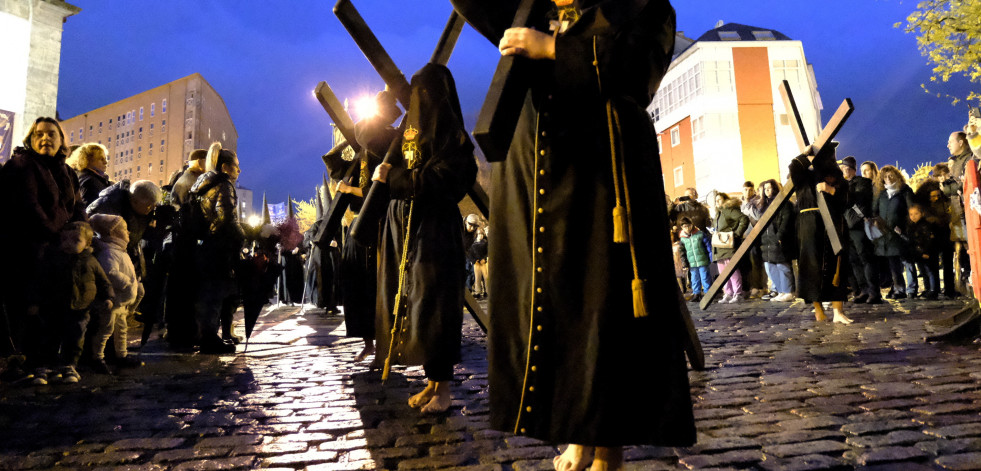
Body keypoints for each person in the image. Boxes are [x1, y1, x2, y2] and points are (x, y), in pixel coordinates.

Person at [453, 0, 696, 468]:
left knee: (600, 307)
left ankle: (608, 443)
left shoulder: (642, 5)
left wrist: (553, 49)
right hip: (535, 178)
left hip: (601, 177)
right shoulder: (532, 3)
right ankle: (576, 433)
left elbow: (637, 73)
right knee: (555, 307)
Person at [372, 63, 477, 414]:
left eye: (425, 93)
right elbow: (366, 136)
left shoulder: (454, 137)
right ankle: (432, 383)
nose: (420, 101)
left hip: (434, 232)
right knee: (414, 305)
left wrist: (397, 179)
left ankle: (444, 388)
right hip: (404, 231)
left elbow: (448, 178)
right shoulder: (408, 134)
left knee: (435, 307)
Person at [0, 117, 86, 373]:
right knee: (28, 308)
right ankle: (28, 364)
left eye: (51, 134)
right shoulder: (21, 165)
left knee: (55, 308)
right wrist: (54, 234)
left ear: (61, 140)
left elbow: (77, 206)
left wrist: (81, 232)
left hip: (60, 251)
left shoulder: (68, 172)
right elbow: (29, 205)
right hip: (27, 250)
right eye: (39, 134)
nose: (45, 138)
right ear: (30, 139)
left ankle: (48, 362)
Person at [322, 89, 401, 362]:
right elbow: (335, 163)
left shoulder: (391, 140)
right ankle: (369, 342)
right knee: (357, 286)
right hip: (359, 227)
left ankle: (386, 343)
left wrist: (352, 191)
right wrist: (347, 142)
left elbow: (384, 188)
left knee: (380, 287)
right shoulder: (365, 146)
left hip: (381, 224)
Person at [38, 222, 113, 384]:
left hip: (81, 307)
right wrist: (35, 302)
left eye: (75, 240)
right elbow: (42, 282)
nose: (67, 244)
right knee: (51, 335)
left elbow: (103, 281)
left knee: (76, 337)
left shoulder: (90, 261)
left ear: (87, 243)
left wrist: (108, 297)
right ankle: (47, 365)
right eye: (64, 239)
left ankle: (70, 365)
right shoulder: (54, 260)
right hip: (55, 306)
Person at [188, 142, 244, 354]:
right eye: (236, 165)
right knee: (217, 293)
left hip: (206, 246)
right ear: (225, 167)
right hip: (220, 247)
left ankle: (208, 335)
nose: (239, 170)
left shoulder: (204, 184)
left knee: (208, 293)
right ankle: (210, 338)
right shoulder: (224, 184)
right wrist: (243, 236)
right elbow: (226, 218)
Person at [789, 144, 853, 324]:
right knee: (812, 269)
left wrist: (830, 190)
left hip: (833, 226)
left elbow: (847, 198)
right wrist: (804, 154)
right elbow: (794, 167)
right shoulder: (804, 177)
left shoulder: (836, 176)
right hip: (809, 227)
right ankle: (818, 310)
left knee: (837, 266)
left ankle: (838, 312)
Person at [88, 214, 140, 373]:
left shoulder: (119, 250)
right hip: (113, 301)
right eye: (124, 229)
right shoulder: (109, 252)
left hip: (121, 302)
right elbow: (110, 272)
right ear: (112, 233)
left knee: (122, 329)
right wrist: (128, 283)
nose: (128, 232)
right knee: (106, 330)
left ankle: (122, 355)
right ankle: (97, 357)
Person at [839, 156, 881, 304]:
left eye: (844, 168)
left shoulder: (862, 182)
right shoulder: (843, 184)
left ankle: (874, 292)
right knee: (853, 260)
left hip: (858, 226)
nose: (842, 171)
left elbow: (855, 200)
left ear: (849, 168)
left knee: (866, 258)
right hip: (846, 227)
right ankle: (863, 290)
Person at [873, 165, 915, 300]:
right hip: (885, 235)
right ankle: (899, 289)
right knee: (893, 264)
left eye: (891, 176)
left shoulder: (904, 191)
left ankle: (911, 289)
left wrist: (906, 228)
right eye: (885, 177)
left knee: (907, 261)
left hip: (900, 233)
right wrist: (876, 222)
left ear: (897, 176)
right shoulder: (882, 194)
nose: (888, 179)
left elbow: (912, 212)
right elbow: (874, 210)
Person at [758, 179, 796, 302]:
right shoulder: (763, 206)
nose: (767, 190)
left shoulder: (784, 203)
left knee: (782, 266)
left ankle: (788, 291)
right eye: (765, 188)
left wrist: (780, 236)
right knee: (770, 267)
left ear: (775, 188)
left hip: (779, 240)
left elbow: (786, 220)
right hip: (767, 241)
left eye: (769, 188)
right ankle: (780, 291)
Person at [713, 192, 749, 304]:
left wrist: (737, 233)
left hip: (728, 246)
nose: (717, 202)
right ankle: (728, 293)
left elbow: (744, 219)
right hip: (719, 247)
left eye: (719, 199)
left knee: (732, 270)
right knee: (722, 272)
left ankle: (738, 293)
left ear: (725, 200)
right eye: (716, 200)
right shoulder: (718, 214)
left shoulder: (730, 210)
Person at [903, 204, 940, 299]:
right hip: (918, 253)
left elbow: (928, 240)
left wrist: (926, 252)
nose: (913, 216)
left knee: (929, 271)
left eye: (916, 214)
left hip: (925, 252)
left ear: (922, 214)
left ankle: (932, 290)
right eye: (911, 214)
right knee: (923, 271)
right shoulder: (912, 226)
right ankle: (928, 289)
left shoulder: (925, 225)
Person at [740, 181, 767, 298]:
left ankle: (757, 287)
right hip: (743, 237)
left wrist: (748, 204)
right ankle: (748, 287)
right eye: (746, 190)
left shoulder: (757, 201)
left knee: (755, 261)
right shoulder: (739, 204)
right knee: (746, 264)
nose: (748, 192)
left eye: (750, 190)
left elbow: (758, 216)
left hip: (754, 236)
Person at [67, 143, 112, 207]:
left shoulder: (98, 179)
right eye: (101, 159)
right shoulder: (89, 182)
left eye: (105, 158)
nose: (105, 162)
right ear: (87, 160)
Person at [678, 217, 712, 303]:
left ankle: (707, 293)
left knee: (705, 277)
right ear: (682, 227)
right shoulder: (683, 238)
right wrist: (684, 263)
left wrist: (711, 257)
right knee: (694, 278)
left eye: (688, 225)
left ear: (692, 225)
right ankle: (696, 293)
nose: (687, 228)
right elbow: (682, 252)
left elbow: (708, 246)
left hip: (702, 259)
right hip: (692, 262)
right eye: (685, 226)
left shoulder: (700, 234)